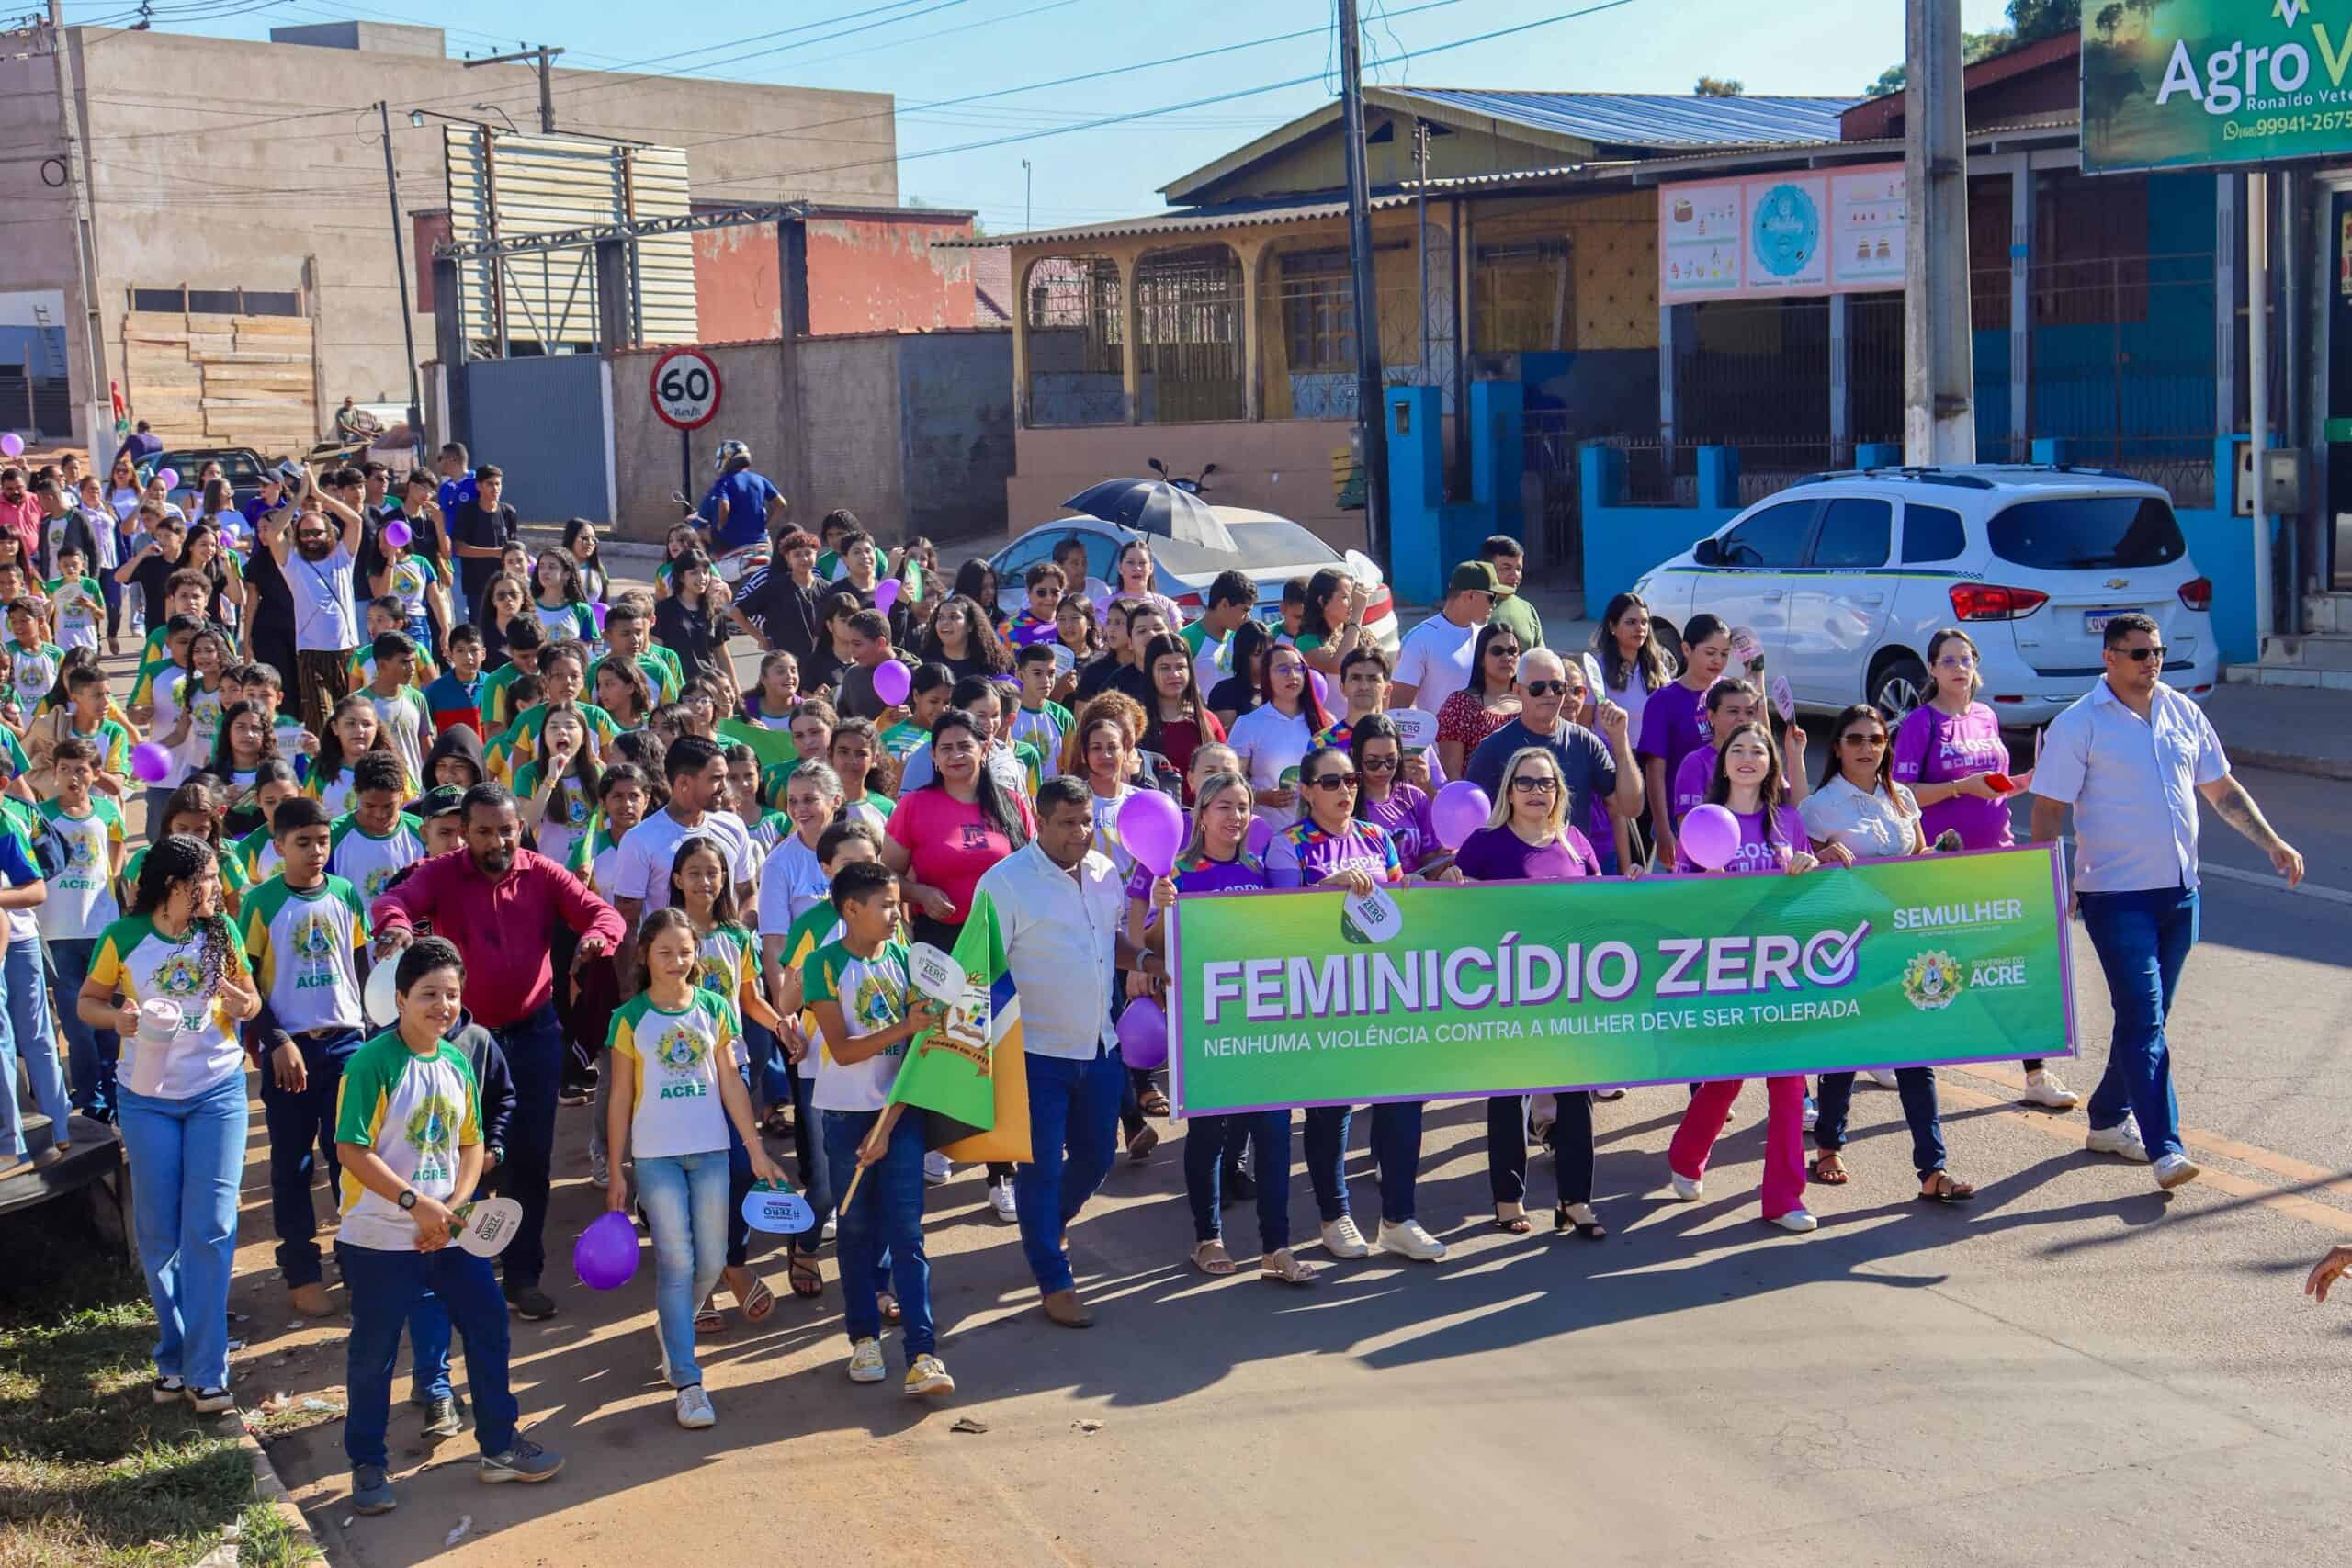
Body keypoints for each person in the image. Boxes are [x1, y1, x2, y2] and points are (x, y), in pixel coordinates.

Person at [2029, 613, 2303, 1190]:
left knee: (2144, 1018)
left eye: (2156, 651)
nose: (2151, 661)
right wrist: (2049, 880)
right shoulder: (2078, 724)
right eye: (2138, 653)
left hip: (2180, 894)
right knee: (2145, 1018)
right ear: (2109, 658)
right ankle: (2166, 1148)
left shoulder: (2182, 712)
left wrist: (2272, 842)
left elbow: (2221, 789)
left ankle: (2107, 1117)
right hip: (2115, 896)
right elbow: (2049, 809)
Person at [370, 784, 626, 1320]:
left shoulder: (542, 872)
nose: (497, 841)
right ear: (465, 833)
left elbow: (602, 914)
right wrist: (395, 929)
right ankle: (460, 1272)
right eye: (484, 831)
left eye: (506, 830)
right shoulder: (442, 873)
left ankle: (523, 1276)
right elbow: (393, 902)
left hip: (534, 1035)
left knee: (528, 1159)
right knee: (458, 1156)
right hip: (462, 1041)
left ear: (520, 829)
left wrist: (596, 938)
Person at [335, 936, 565, 1513]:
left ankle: (499, 1446)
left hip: (449, 1234)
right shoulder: (370, 1064)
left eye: (452, 995)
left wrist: (456, 1207)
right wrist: (417, 1204)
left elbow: (472, 1143)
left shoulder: (459, 1060)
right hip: (380, 1238)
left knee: (488, 1326)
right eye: (428, 994)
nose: (443, 1006)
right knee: (375, 1354)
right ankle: (368, 1464)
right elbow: (352, 1150)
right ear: (399, 999)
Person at [80, 833, 264, 1412]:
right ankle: (174, 1356)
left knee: (210, 1227)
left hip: (218, 1092)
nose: (218, 887)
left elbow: (251, 999)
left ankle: (207, 1370)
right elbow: (87, 1002)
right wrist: (118, 1019)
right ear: (174, 885)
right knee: (159, 1233)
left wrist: (244, 1005)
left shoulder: (222, 931)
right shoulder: (122, 937)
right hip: (146, 1099)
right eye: (208, 877)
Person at [978, 775, 1164, 1326]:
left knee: (1098, 1156)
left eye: (1086, 822)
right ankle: (1053, 1278)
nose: (1080, 833)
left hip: (1100, 1047)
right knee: (1038, 1169)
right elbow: (982, 969)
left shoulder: (1105, 872)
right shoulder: (1004, 883)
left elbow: (1111, 943)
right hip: (1034, 1054)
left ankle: (1046, 1224)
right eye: (1067, 823)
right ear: (1039, 820)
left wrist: (1149, 963)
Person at [605, 906, 786, 1428]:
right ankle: (687, 1381)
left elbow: (730, 1081)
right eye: (665, 952)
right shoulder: (628, 1018)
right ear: (645, 955)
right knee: (677, 1261)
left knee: (711, 1259)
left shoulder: (714, 1008)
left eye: (685, 952)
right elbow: (619, 1097)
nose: (676, 961)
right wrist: (616, 1168)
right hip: (656, 1157)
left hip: (712, 1152)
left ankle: (674, 1322)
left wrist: (754, 1148)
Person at [1135, 771, 1312, 1284]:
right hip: (1204, 1021)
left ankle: (1277, 1248)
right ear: (1202, 815)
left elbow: (1285, 933)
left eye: (1243, 807)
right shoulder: (1178, 873)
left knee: (1274, 1133)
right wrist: (1161, 912)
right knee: (1210, 1132)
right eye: (1224, 807)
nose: (1235, 817)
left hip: (1262, 1021)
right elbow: (1154, 947)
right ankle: (1208, 1238)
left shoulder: (1260, 870)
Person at [1266, 746, 1442, 1261]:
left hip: (1384, 991)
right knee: (1331, 1109)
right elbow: (1276, 923)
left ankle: (1399, 1219)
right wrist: (1326, 890)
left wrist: (1417, 888)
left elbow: (1397, 909)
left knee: (1402, 1100)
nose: (1344, 790)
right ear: (1306, 790)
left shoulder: (1376, 836)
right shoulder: (1287, 845)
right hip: (1324, 994)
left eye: (1350, 780)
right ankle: (1334, 1216)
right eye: (1330, 782)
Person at [1894, 626, 2078, 1111]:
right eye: (1948, 660)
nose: (1959, 668)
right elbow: (1901, 796)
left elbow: (1992, 784)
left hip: (1998, 855)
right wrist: (1959, 788)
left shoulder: (1986, 716)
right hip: (1942, 862)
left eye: (1966, 659)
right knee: (1929, 968)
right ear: (1932, 669)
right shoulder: (1920, 724)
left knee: (2015, 966)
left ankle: (2036, 1073)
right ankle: (1893, 1054)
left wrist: (2025, 781)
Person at [1798, 704, 1975, 1203]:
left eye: (1875, 739)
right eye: (1855, 739)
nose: (1866, 748)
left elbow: (1916, 858)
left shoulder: (1901, 797)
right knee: (1845, 1052)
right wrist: (1820, 859)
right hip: (1848, 944)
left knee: (1915, 1056)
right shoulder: (1818, 807)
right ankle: (1828, 1146)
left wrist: (1939, 854)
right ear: (1837, 747)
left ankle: (1933, 1169)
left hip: (1903, 941)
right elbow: (1802, 878)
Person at [801, 861, 957, 1394]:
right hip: (846, 1118)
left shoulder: (906, 957)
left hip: (900, 1114)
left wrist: (889, 1124)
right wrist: (905, 1026)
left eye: (897, 904)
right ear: (851, 909)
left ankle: (923, 1353)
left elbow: (918, 1051)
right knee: (855, 1230)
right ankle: (864, 1339)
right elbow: (843, 1051)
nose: (897, 914)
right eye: (887, 905)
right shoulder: (822, 965)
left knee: (908, 1233)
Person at [1664, 723, 1824, 1233]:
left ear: (1772, 763)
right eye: (1738, 749)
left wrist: (1807, 869)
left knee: (1789, 1084)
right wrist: (1704, 885)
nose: (1748, 757)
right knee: (1726, 1076)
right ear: (1724, 762)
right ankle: (1687, 1155)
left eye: (1759, 750)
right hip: (1724, 971)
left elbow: (1807, 901)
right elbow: (1678, 901)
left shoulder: (1789, 822)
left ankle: (1784, 1199)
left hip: (1781, 970)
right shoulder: (1703, 821)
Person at [1453, 745, 1607, 1238]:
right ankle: (1508, 1199)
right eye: (1526, 782)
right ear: (1509, 790)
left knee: (1576, 1094)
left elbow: (1604, 909)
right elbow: (1457, 916)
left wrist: (1631, 885)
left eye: (1546, 783)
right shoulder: (1485, 844)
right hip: (1507, 991)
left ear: (1559, 791)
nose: (1536, 791)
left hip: (1569, 991)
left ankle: (1576, 1201)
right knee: (1510, 1096)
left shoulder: (1576, 842)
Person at [240, 796, 373, 1317]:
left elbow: (360, 967)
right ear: (278, 847)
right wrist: (275, 1040)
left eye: (322, 841)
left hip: (346, 1044)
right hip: (289, 1051)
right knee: (293, 1165)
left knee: (351, 1159)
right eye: (303, 843)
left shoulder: (345, 893)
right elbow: (247, 983)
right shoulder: (260, 902)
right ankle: (301, 1269)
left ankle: (357, 1263)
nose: (316, 851)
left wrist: (371, 1033)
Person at [33, 739, 121, 1152]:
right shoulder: (40, 815)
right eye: (65, 769)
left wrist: (113, 880)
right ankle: (91, 1098)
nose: (73, 777)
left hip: (102, 930)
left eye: (82, 769)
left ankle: (114, 1093)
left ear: (95, 774)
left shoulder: (108, 811)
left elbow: (116, 846)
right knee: (76, 1024)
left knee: (109, 1018)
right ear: (54, 773)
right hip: (57, 933)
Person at [1464, 649, 1640, 844]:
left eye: (1557, 687)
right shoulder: (1492, 749)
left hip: (1572, 860)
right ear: (1517, 691)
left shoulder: (1584, 742)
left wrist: (1620, 741)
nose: (1549, 694)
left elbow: (1631, 808)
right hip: (1512, 863)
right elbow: (1472, 824)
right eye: (1537, 688)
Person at [261, 469, 367, 741]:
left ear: (329, 534)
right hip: (311, 655)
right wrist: (298, 499)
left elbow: (355, 520)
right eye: (305, 533)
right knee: (320, 721)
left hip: (347, 651)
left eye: (317, 533)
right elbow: (274, 532)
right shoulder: (293, 563)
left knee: (352, 719)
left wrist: (320, 496)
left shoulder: (343, 557)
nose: (311, 538)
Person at [1636, 611, 1731, 872]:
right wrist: (1663, 829)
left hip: (1727, 817)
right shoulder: (1663, 701)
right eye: (1710, 652)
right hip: (1679, 820)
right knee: (1679, 892)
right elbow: (1655, 771)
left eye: (1724, 654)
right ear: (1686, 649)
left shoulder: (1730, 694)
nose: (1718, 661)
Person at [1227, 639, 1327, 830]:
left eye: (1298, 668)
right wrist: (1261, 797)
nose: (1293, 675)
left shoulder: (1324, 722)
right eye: (1283, 669)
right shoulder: (1248, 724)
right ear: (1266, 676)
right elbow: (1231, 782)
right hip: (1268, 832)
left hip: (1317, 831)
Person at [1389, 561, 1496, 712]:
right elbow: (1397, 710)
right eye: (1492, 598)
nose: (1494, 605)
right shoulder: (1420, 639)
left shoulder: (1487, 635)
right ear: (1470, 595)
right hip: (1436, 728)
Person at [1136, 631, 1225, 797]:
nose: (1174, 675)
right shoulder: (1136, 723)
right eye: (1164, 668)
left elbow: (1226, 777)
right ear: (1150, 672)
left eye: (1180, 667)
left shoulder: (1208, 721)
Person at [1351, 714, 1442, 873]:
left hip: (1415, 886)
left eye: (1391, 760)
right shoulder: (1346, 801)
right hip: (1370, 887)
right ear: (1355, 756)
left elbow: (1430, 857)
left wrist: (1444, 868)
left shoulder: (1415, 797)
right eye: (1372, 762)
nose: (1383, 769)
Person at [1434, 622, 1523, 780]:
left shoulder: (1531, 700)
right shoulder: (1460, 704)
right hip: (1476, 793)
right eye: (1497, 651)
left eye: (1512, 651)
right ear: (1481, 658)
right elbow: (1452, 774)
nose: (1506, 657)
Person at [449, 465, 518, 625]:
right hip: (477, 586)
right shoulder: (467, 512)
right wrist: (494, 552)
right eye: (490, 484)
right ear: (479, 486)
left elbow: (513, 547)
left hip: (504, 585)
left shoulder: (508, 512)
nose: (495, 489)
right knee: (480, 629)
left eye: (498, 484)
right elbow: (459, 548)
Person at [1292, 567, 1365, 678]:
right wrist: (1357, 615)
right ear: (1322, 601)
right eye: (1345, 597)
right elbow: (1341, 665)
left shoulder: (1357, 633)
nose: (1353, 603)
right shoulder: (1306, 642)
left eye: (1352, 597)